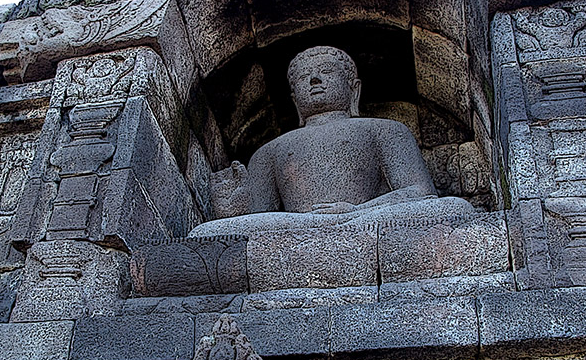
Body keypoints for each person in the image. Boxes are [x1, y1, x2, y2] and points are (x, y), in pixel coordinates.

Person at [189, 46, 472, 237]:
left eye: (326, 71)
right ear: (294, 99)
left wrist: (357, 211)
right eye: (303, 77)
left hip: (363, 220)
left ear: (354, 88)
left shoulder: (386, 130)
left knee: (455, 209)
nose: (313, 79)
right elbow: (258, 220)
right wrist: (233, 212)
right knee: (205, 234)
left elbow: (420, 192)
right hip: (298, 228)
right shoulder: (268, 152)